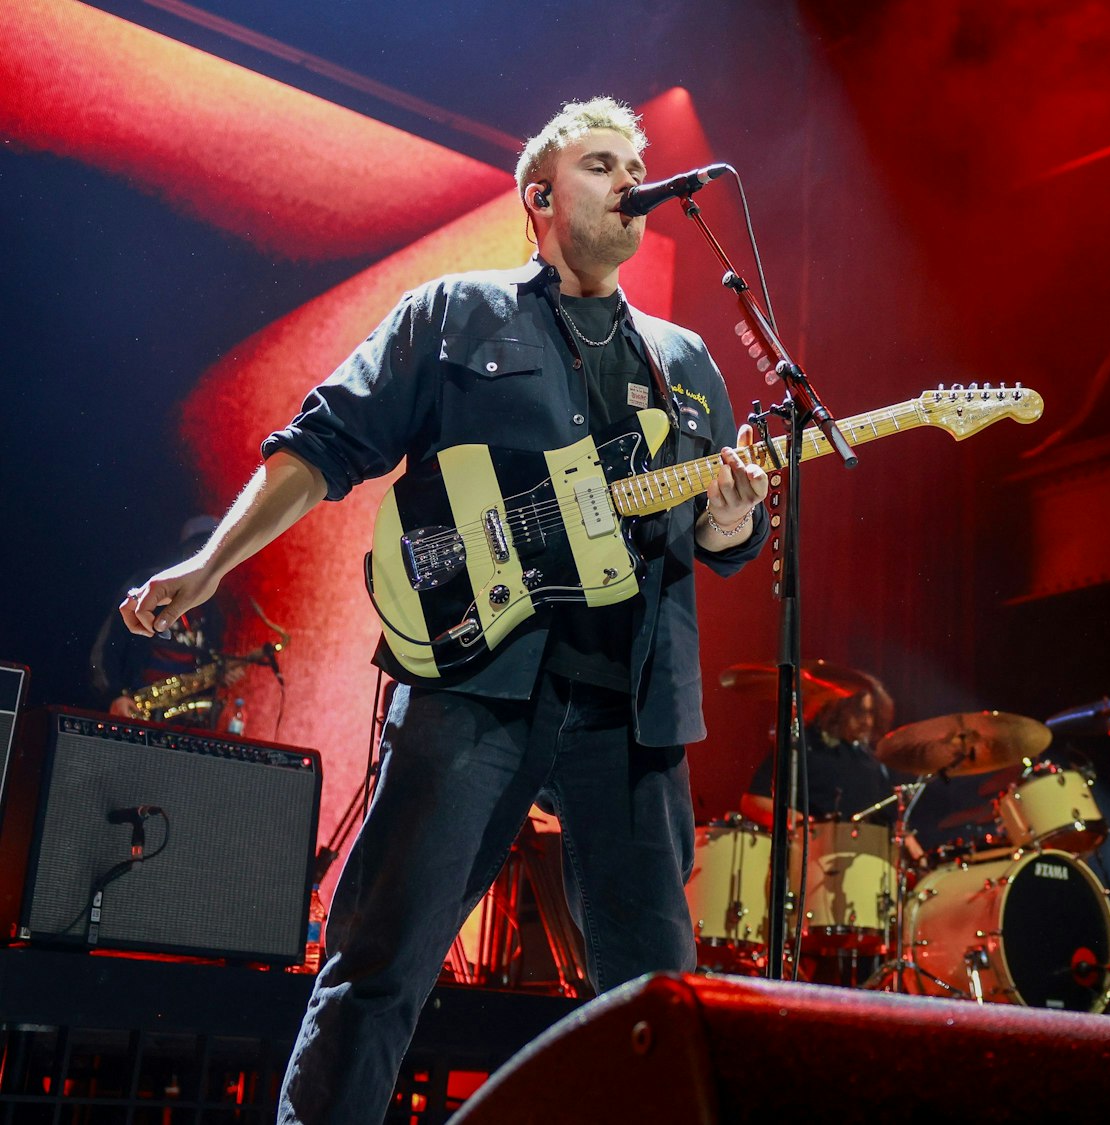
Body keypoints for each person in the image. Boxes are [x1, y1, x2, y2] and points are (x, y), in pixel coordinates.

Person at [117, 97, 770, 1125]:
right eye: (603, 163)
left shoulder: (684, 362)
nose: (631, 179)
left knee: (657, 1002)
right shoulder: (454, 313)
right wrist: (209, 563)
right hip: (471, 683)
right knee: (379, 966)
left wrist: (732, 522)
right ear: (541, 197)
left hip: (629, 709)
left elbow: (715, 539)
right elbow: (320, 446)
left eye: (637, 163)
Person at [90, 514, 241, 726]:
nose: (207, 556)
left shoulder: (213, 608)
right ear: (185, 549)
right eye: (201, 546)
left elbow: (206, 663)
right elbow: (106, 646)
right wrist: (113, 695)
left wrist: (220, 674)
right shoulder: (151, 584)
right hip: (137, 708)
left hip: (185, 720)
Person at [740, 670, 898, 825]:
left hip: (866, 848)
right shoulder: (801, 745)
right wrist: (799, 823)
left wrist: (917, 851)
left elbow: (892, 822)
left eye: (871, 713)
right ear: (839, 707)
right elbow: (753, 801)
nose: (867, 722)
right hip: (810, 847)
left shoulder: (870, 761)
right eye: (860, 712)